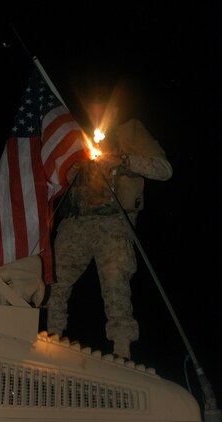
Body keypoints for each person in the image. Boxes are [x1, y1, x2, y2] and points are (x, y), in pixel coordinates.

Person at [46, 85, 173, 360]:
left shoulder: (130, 131)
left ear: (113, 110)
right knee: (55, 282)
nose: (97, 111)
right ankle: (52, 338)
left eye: (103, 107)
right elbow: (64, 175)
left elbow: (164, 169)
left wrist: (124, 160)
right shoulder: (77, 135)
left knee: (115, 283)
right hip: (76, 221)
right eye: (93, 106)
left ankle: (122, 350)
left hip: (113, 221)